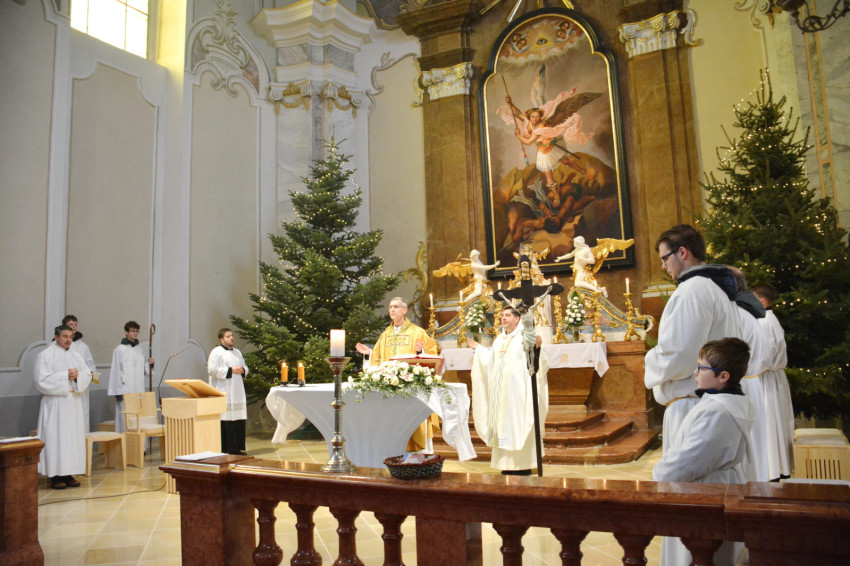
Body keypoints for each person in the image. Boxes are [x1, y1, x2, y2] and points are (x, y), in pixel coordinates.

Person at [653, 337, 755, 566]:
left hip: (705, 493)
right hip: (719, 487)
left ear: (723, 376)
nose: (695, 372)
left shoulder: (718, 411)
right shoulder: (728, 403)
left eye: (701, 368)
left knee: (698, 554)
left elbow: (690, 461)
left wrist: (659, 474)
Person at [644, 224, 742, 453]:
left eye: (665, 258)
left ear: (682, 252)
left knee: (687, 473)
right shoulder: (715, 288)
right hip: (711, 400)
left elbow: (680, 355)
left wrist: (649, 360)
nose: (663, 266)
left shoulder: (692, 291)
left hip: (692, 405)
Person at [468, 305, 549, 475]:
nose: (503, 318)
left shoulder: (525, 337)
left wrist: (537, 349)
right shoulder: (499, 340)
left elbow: (539, 363)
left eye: (507, 315)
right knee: (502, 426)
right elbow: (491, 362)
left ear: (517, 319)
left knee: (519, 424)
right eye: (502, 315)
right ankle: (506, 464)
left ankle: (523, 464)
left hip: (518, 395)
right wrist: (479, 350)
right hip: (501, 397)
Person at [356, 297, 439, 451]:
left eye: (396, 306)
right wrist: (369, 353)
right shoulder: (385, 334)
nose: (392, 309)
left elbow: (432, 355)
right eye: (390, 307)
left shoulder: (417, 332)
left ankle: (420, 455)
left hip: (411, 389)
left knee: (413, 422)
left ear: (405, 310)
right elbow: (378, 359)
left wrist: (420, 351)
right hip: (391, 389)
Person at [35, 324, 93, 490]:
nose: (68, 340)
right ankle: (55, 475)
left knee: (71, 439)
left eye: (71, 337)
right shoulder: (45, 355)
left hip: (72, 403)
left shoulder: (76, 355)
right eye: (65, 337)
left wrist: (77, 377)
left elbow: (87, 374)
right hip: (55, 403)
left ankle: (69, 473)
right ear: (56, 337)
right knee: (55, 439)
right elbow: (40, 381)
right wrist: (65, 375)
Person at [727, 266, 770, 481]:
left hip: (740, 387)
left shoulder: (736, 315)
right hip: (751, 385)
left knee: (743, 452)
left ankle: (747, 493)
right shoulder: (748, 314)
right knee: (754, 449)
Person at [752, 283, 795, 480]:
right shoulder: (769, 320)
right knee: (773, 422)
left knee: (769, 423)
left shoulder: (764, 323)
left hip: (766, 379)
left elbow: (764, 358)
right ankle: (776, 467)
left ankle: (771, 469)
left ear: (762, 301)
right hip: (772, 377)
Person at [208, 328, 249, 455]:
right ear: (222, 340)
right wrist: (231, 370)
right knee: (226, 420)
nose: (231, 338)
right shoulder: (216, 352)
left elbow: (244, 366)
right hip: (224, 391)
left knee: (238, 420)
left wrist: (243, 370)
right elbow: (212, 370)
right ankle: (226, 449)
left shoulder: (237, 352)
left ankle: (236, 448)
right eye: (228, 336)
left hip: (237, 391)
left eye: (232, 335)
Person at [108, 321, 153, 433]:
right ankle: (126, 441)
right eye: (133, 331)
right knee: (126, 418)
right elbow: (116, 371)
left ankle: (139, 442)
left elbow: (146, 372)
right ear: (126, 332)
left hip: (138, 390)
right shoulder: (120, 349)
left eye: (137, 331)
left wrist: (150, 364)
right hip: (125, 390)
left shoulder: (139, 349)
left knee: (139, 417)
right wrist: (118, 392)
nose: (135, 333)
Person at [63, 315, 96, 433]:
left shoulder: (83, 346)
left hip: (81, 386)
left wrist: (90, 373)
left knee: (82, 416)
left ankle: (83, 441)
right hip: (66, 387)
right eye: (71, 324)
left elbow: (90, 364)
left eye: (75, 324)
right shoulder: (59, 345)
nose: (74, 327)